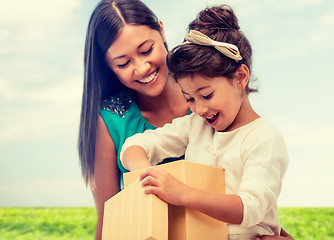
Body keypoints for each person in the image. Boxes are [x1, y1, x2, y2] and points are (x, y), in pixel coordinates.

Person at [78, 0, 294, 239]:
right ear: (108, 67)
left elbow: (253, 206)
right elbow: (110, 222)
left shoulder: (216, 114)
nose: (141, 68)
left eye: (146, 50)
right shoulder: (194, 123)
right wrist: (150, 175)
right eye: (124, 63)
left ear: (161, 31)